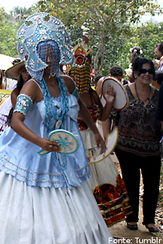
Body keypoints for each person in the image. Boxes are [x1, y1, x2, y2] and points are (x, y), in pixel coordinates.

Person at [0, 13, 112, 243]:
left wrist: (97, 132)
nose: (50, 60)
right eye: (45, 55)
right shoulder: (31, 87)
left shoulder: (68, 83)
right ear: (36, 58)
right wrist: (40, 142)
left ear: (61, 54)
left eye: (54, 54)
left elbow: (80, 106)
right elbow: (16, 121)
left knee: (71, 214)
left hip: (61, 156)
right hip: (27, 153)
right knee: (18, 208)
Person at [68, 50, 132, 227]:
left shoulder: (92, 94)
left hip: (93, 140)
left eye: (84, 74)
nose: (81, 78)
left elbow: (102, 117)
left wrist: (109, 101)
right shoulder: (67, 95)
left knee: (98, 179)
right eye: (77, 74)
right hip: (74, 141)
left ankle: (95, 224)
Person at [112, 57, 161, 233]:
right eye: (143, 71)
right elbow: (112, 117)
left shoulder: (159, 95)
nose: (147, 74)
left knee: (152, 185)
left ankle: (149, 220)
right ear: (136, 72)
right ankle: (131, 218)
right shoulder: (123, 92)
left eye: (150, 71)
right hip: (126, 148)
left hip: (152, 149)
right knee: (131, 183)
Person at [0, 60, 31, 144]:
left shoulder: (39, 90)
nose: (27, 74)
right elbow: (18, 116)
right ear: (20, 74)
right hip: (13, 118)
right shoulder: (15, 92)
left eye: (29, 70)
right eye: (24, 71)